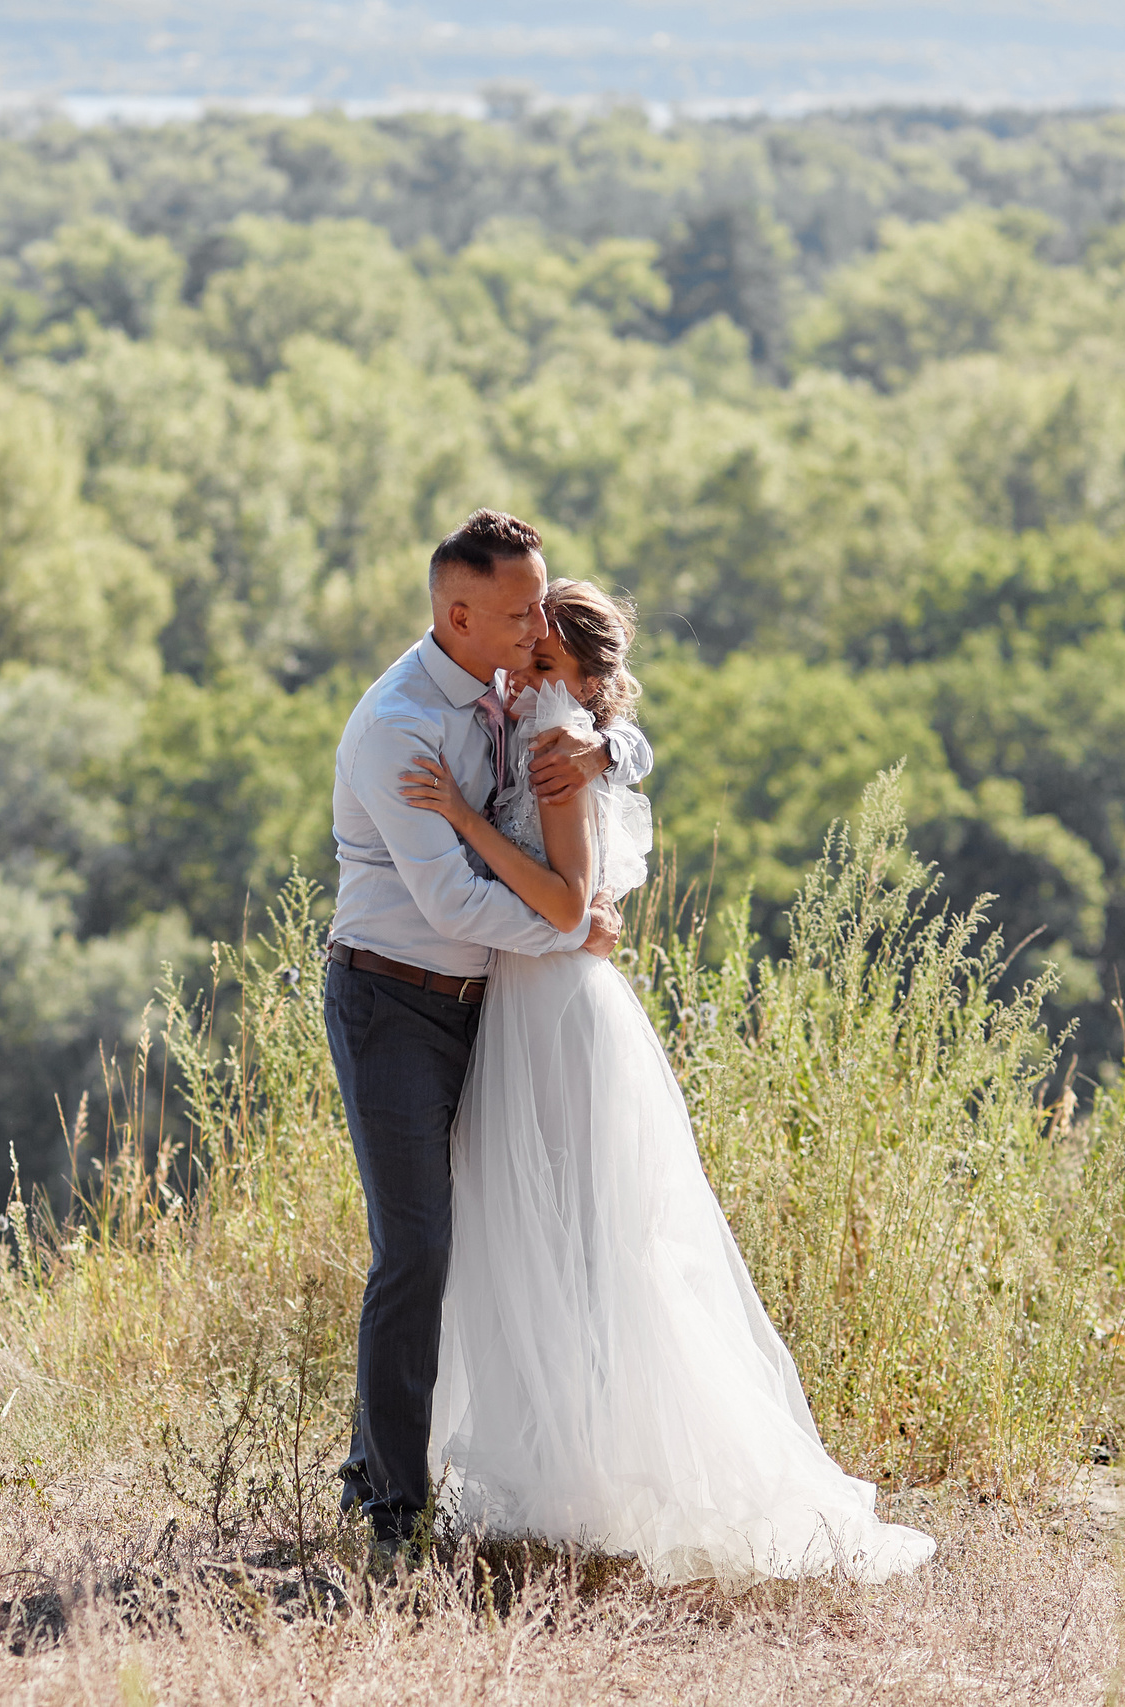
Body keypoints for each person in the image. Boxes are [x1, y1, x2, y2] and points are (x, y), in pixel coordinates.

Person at [397, 576, 936, 1588]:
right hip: (526, 1006)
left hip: (556, 1010)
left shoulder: (556, 735)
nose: (523, 669)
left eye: (545, 658)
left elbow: (563, 902)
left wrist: (463, 818)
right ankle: (557, 1476)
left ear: (584, 679)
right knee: (533, 1237)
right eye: (525, 648)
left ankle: (612, 1477)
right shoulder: (536, 720)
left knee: (589, 1242)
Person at [322, 509, 650, 1557]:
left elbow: (606, 713)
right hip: (397, 1001)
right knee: (416, 1249)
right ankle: (387, 1507)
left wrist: (608, 755)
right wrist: (568, 929)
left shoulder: (517, 688)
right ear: (456, 615)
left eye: (539, 613)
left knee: (518, 1238)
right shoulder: (398, 728)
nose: (531, 628)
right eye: (516, 615)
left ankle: (482, 1464)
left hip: (497, 1014)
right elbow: (455, 905)